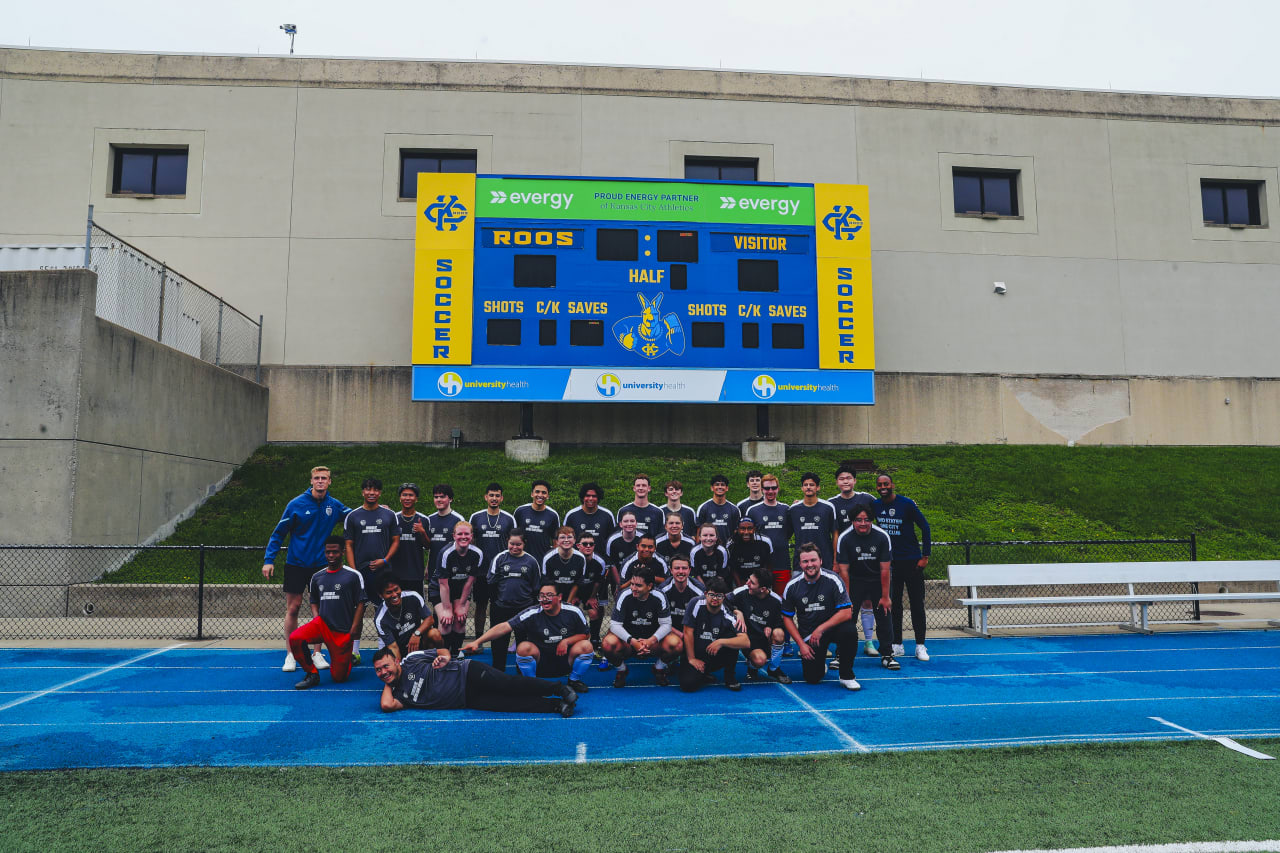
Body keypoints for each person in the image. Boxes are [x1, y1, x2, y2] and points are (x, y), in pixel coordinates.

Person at [263, 465, 351, 673]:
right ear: (311, 481)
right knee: (293, 608)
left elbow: (356, 516)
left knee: (320, 611)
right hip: (296, 563)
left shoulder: (334, 505)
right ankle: (290, 654)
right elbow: (278, 533)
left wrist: (378, 510)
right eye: (317, 478)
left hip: (321, 566)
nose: (320, 481)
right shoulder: (296, 504)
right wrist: (269, 559)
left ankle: (317, 653)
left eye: (324, 478)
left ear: (329, 482)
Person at [463, 583, 595, 694]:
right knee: (523, 647)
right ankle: (532, 683)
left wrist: (566, 641)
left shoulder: (573, 612)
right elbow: (504, 627)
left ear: (559, 597)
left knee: (586, 646)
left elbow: (585, 634)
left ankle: (574, 680)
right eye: (542, 596)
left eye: (549, 595)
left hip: (565, 661)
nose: (544, 599)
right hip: (540, 664)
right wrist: (477, 642)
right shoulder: (532, 612)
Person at [375, 647, 577, 717]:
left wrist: (445, 657)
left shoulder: (411, 660)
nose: (383, 672)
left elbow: (442, 651)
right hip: (467, 699)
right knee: (510, 705)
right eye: (378, 670)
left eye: (386, 666)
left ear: (396, 661)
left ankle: (559, 689)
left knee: (509, 684)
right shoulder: (397, 693)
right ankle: (556, 706)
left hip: (467, 673)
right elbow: (386, 705)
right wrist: (389, 680)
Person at [781, 544, 860, 689]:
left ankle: (846, 675)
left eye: (813, 560)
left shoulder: (833, 579)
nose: (810, 564)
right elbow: (787, 618)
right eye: (805, 561)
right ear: (800, 564)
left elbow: (846, 612)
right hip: (810, 635)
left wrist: (821, 629)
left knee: (849, 631)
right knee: (812, 678)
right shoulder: (792, 586)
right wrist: (801, 644)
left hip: (832, 628)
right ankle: (819, 663)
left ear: (821, 561)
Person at [289, 536, 364, 689]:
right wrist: (317, 618)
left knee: (339, 678)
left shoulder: (353, 575)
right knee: (295, 638)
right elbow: (314, 601)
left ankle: (346, 658)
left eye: (335, 552)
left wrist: (355, 628)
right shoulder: (317, 577)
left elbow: (361, 603)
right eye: (328, 552)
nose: (331, 555)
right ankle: (312, 674)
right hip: (322, 625)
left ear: (342, 552)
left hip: (342, 631)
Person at [873, 473, 933, 662]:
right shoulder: (875, 505)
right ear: (876, 487)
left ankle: (920, 645)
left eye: (886, 484)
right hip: (890, 563)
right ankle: (897, 643)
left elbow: (925, 527)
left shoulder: (906, 504)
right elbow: (858, 515)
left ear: (892, 485)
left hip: (912, 562)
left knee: (917, 605)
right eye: (880, 484)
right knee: (894, 605)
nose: (883, 487)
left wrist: (925, 556)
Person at [835, 506, 899, 670]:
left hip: (877, 579)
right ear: (852, 521)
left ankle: (887, 655)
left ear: (872, 520)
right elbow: (844, 570)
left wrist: (885, 596)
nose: (863, 523)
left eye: (866, 520)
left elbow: (885, 569)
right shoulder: (845, 538)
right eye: (858, 520)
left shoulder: (882, 536)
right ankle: (841, 654)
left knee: (885, 615)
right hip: (854, 580)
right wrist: (846, 600)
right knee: (847, 617)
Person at [343, 477, 399, 664]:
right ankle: (354, 652)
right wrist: (354, 572)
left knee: (383, 611)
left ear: (380, 493)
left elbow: (396, 541)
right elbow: (348, 545)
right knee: (357, 612)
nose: (371, 493)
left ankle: (383, 650)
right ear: (363, 492)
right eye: (368, 489)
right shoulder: (353, 516)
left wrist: (385, 560)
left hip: (383, 572)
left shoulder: (389, 515)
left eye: (375, 490)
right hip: (361, 573)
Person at [828, 462, 879, 657]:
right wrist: (835, 560)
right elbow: (834, 533)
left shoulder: (867, 498)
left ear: (855, 481)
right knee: (843, 602)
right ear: (837, 482)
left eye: (848, 478)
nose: (845, 481)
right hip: (844, 560)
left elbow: (883, 509)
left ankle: (869, 641)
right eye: (841, 479)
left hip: (866, 559)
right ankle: (839, 642)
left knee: (867, 602)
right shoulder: (831, 503)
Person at [601, 568, 671, 688]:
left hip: (651, 642)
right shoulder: (624, 595)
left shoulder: (659, 596)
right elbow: (614, 625)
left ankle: (658, 668)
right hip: (628, 642)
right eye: (632, 584)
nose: (633, 588)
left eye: (638, 585)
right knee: (607, 643)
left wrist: (650, 641)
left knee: (676, 644)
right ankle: (622, 670)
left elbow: (667, 624)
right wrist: (632, 641)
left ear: (649, 586)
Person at [680, 578, 750, 692]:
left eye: (719, 596)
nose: (715, 599)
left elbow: (746, 642)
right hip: (696, 653)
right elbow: (687, 632)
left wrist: (721, 642)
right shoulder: (695, 603)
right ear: (705, 594)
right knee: (688, 685)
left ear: (724, 597)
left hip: (714, 654)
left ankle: (730, 677)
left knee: (733, 638)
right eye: (712, 595)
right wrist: (692, 658)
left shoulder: (727, 614)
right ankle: (702, 673)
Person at [486, 530, 542, 672]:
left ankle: (522, 672)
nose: (515, 547)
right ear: (507, 542)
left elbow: (536, 586)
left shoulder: (531, 561)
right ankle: (498, 672)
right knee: (499, 642)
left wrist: (530, 605)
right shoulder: (500, 558)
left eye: (518, 544)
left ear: (524, 544)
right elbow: (491, 583)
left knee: (523, 642)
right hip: (501, 608)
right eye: (512, 544)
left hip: (524, 609)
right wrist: (497, 602)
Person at [469, 482, 516, 639]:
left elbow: (514, 542)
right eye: (491, 495)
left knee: (499, 606)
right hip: (481, 570)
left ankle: (499, 638)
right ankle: (479, 638)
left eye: (497, 496)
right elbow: (471, 542)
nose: (494, 498)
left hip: (501, 570)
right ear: (486, 497)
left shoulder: (509, 519)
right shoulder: (476, 517)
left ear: (501, 498)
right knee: (481, 605)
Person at [727, 568, 791, 683]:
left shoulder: (776, 601)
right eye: (749, 579)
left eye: (752, 582)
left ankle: (774, 669)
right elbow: (723, 601)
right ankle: (752, 667)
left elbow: (781, 622)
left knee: (779, 633)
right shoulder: (741, 591)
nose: (747, 583)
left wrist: (771, 627)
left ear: (763, 589)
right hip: (749, 640)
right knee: (759, 660)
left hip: (766, 640)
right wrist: (737, 612)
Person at [433, 522, 485, 657]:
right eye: (459, 534)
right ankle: (443, 654)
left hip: (461, 589)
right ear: (454, 536)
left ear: (471, 536)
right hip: (441, 589)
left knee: (460, 620)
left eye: (466, 534)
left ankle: (456, 653)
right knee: (445, 622)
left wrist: (461, 605)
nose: (463, 537)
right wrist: (447, 608)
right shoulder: (446, 553)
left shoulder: (477, 554)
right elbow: (443, 584)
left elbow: (470, 581)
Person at [655, 555, 704, 686]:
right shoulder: (662, 590)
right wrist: (680, 634)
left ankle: (699, 665)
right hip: (669, 630)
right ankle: (663, 663)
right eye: (677, 568)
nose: (681, 571)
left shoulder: (699, 591)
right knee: (674, 644)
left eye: (684, 568)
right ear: (671, 570)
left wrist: (737, 612)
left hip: (691, 630)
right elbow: (657, 620)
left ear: (689, 570)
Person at [373, 572, 441, 660]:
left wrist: (416, 634)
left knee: (434, 634)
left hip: (418, 643)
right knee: (388, 659)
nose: (394, 595)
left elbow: (430, 619)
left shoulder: (413, 596)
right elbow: (393, 647)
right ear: (381, 595)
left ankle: (436, 663)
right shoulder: (380, 619)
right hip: (399, 650)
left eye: (396, 589)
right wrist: (400, 665)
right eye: (389, 592)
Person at [747, 475, 791, 594]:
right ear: (762, 489)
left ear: (778, 489)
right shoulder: (753, 510)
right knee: (759, 598)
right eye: (767, 488)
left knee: (782, 598)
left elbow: (788, 532)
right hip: (760, 564)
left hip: (782, 563)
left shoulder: (786, 509)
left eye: (773, 488)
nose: (770, 491)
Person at [787, 473, 838, 574]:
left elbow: (835, 534)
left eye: (812, 485)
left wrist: (835, 560)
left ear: (818, 487)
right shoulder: (793, 509)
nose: (808, 487)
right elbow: (786, 534)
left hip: (825, 562)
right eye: (805, 485)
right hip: (800, 563)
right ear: (802, 488)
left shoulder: (828, 507)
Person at [389, 483, 430, 597]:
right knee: (396, 603)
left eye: (411, 495)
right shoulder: (393, 519)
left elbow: (428, 546)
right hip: (396, 573)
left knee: (417, 604)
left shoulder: (424, 519)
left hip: (415, 573)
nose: (407, 498)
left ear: (416, 499)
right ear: (400, 498)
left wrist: (422, 532)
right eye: (404, 495)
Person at [424, 484, 466, 592]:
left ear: (450, 499)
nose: (439, 500)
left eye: (442, 497)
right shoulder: (430, 519)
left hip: (452, 570)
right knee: (435, 600)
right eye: (436, 497)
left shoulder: (458, 519)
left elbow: (464, 548)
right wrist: (428, 566)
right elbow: (431, 547)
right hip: (434, 569)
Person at [574, 532, 609, 651]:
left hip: (590, 592)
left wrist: (592, 597)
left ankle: (594, 640)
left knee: (594, 613)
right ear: (578, 546)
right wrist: (575, 596)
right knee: (571, 610)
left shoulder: (600, 561)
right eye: (585, 544)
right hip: (575, 591)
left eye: (591, 544)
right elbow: (572, 581)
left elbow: (598, 582)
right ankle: (574, 638)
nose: (588, 546)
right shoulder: (573, 559)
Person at [513, 480, 560, 561]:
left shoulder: (553, 515)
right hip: (521, 559)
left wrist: (553, 559)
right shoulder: (520, 511)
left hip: (542, 559)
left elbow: (556, 541)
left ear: (547, 496)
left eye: (544, 493)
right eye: (537, 492)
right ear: (532, 494)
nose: (540, 495)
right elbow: (512, 535)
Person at [726, 517, 772, 590]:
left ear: (754, 529)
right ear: (737, 529)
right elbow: (733, 568)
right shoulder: (731, 543)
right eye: (743, 529)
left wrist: (762, 583)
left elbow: (768, 565)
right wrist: (740, 587)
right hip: (739, 581)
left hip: (760, 582)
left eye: (750, 528)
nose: (746, 532)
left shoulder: (765, 541)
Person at [541, 526, 587, 599]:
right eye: (562, 537)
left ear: (574, 540)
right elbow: (546, 583)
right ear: (557, 541)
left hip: (572, 597)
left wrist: (569, 601)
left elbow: (578, 583)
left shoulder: (580, 558)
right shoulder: (548, 558)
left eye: (569, 537)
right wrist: (555, 600)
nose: (566, 540)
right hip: (553, 597)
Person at [696, 474, 741, 545]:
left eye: (722, 485)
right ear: (712, 488)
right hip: (709, 547)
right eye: (717, 484)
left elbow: (736, 531)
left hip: (728, 548)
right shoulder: (703, 508)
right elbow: (699, 531)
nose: (720, 487)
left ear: (727, 488)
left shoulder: (734, 509)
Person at [617, 475, 665, 540]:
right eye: (638, 485)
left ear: (649, 488)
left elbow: (661, 536)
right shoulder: (623, 511)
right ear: (634, 488)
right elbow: (619, 535)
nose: (641, 488)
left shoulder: (658, 512)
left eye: (644, 485)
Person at [691, 523, 731, 588]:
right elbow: (696, 574)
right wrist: (704, 589)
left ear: (716, 537)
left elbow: (721, 575)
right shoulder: (694, 552)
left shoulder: (723, 551)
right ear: (700, 537)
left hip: (718, 585)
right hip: (700, 585)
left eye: (711, 535)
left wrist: (712, 590)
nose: (708, 538)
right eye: (705, 535)